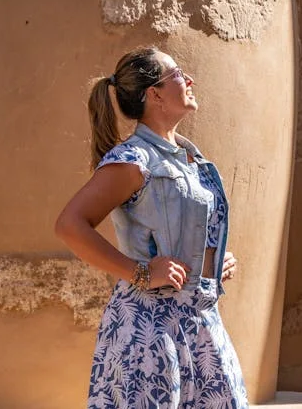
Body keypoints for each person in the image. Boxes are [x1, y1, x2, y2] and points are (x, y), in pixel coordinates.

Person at [54, 46, 248, 408]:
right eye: (177, 74)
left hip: (202, 323)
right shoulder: (133, 160)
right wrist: (139, 272)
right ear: (154, 94)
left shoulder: (191, 159)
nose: (189, 80)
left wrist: (214, 263)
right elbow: (69, 225)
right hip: (148, 331)